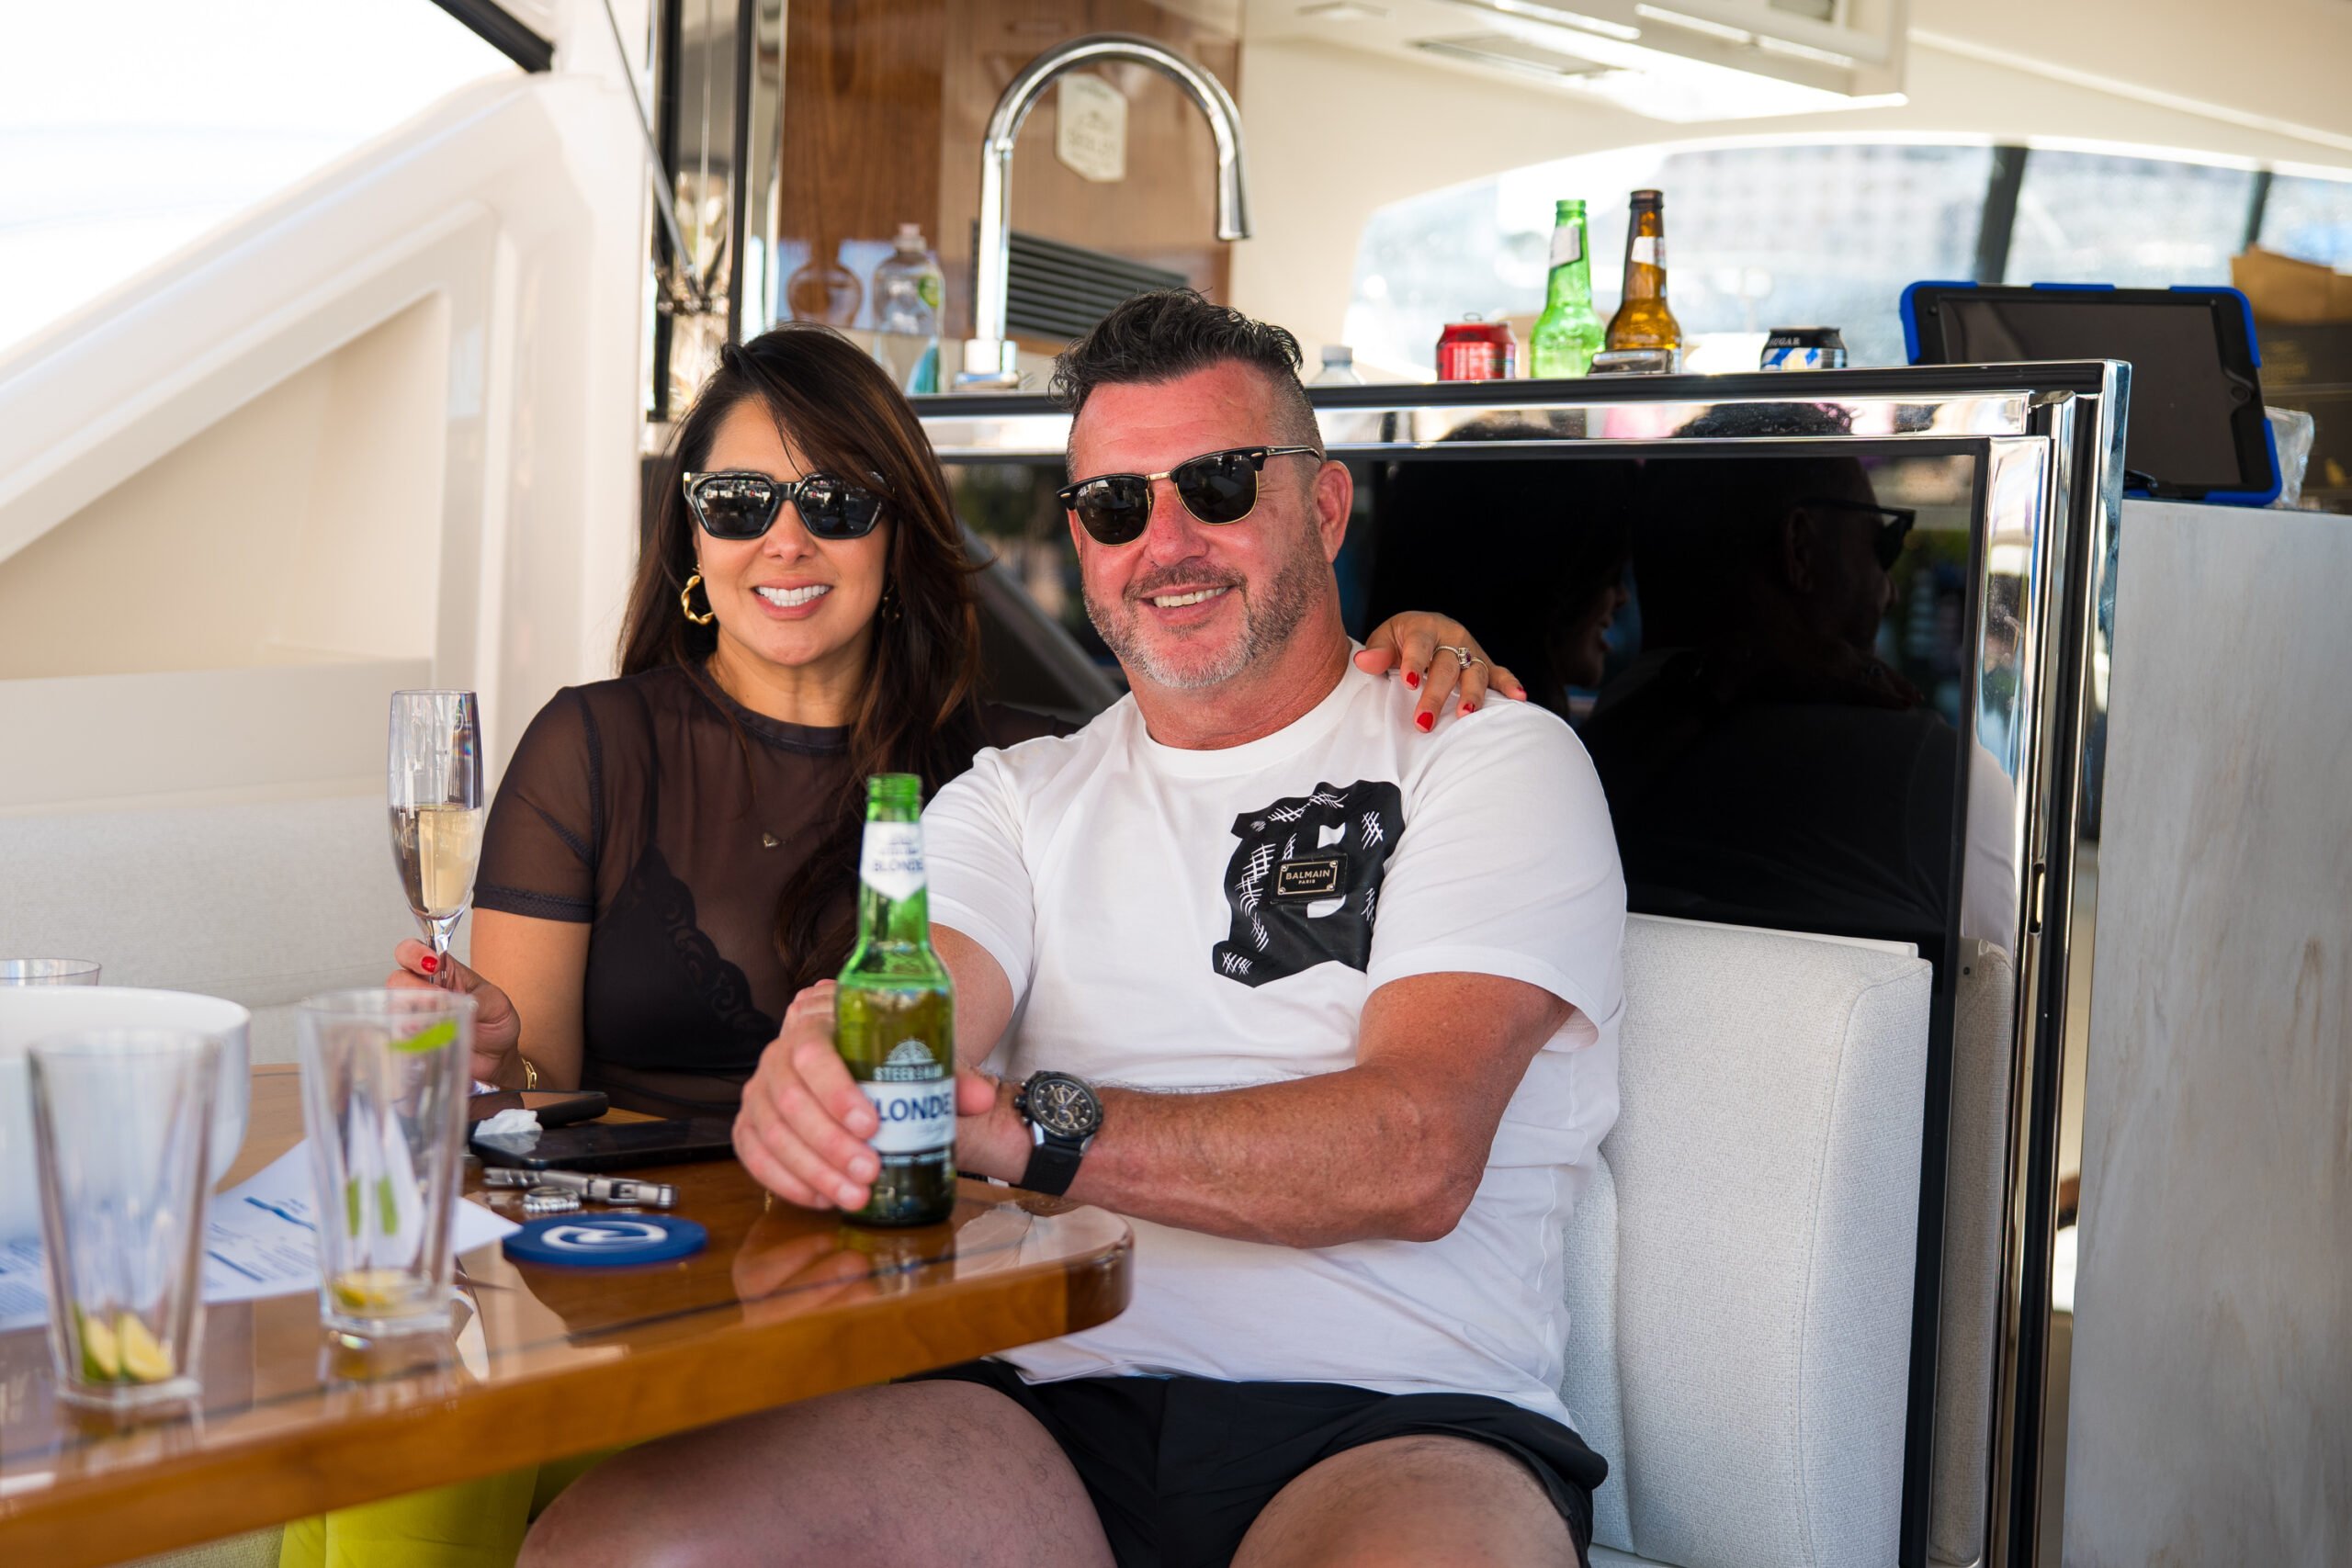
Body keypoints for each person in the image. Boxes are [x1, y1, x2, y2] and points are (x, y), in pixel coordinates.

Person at [282, 324, 1519, 1566]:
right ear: (692, 537)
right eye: (738, 503)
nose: (785, 538)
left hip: (875, 1299)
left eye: (834, 501)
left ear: (897, 533)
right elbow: (529, 1103)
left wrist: (1397, 659)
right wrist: (488, 1060)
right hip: (632, 1256)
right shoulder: (609, 748)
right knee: (422, 1399)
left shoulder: (1005, 766)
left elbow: (1226, 722)